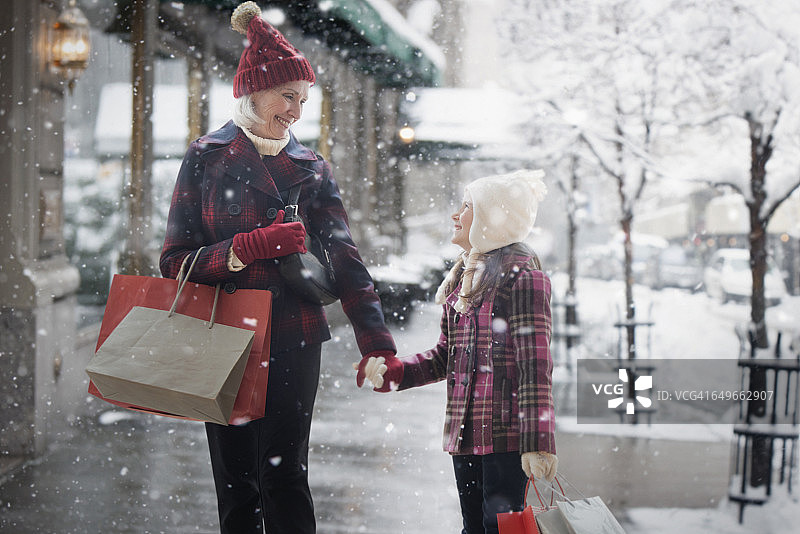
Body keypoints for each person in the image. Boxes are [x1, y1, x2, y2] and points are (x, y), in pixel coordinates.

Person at [159, 3, 396, 532]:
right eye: (288, 96)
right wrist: (248, 247)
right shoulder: (205, 157)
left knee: (286, 479)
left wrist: (375, 340)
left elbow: (345, 258)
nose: (295, 111)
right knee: (237, 483)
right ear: (253, 90)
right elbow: (175, 263)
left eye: (304, 101)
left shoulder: (311, 169)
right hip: (225, 338)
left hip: (294, 338)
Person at [356, 170, 558, 534]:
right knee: (473, 529)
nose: (455, 214)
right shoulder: (466, 278)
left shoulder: (523, 279)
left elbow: (536, 368)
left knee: (502, 530)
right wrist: (397, 372)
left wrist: (538, 443)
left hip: (505, 438)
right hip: (465, 434)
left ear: (491, 219)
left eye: (466, 206)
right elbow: (445, 357)